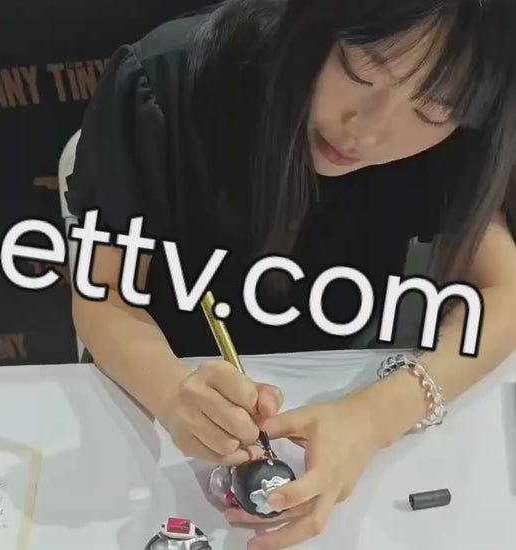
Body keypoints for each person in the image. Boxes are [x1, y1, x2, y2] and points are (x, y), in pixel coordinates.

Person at [66, 0, 516, 547]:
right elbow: (104, 294)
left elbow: (504, 293)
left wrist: (377, 416)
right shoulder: (168, 83)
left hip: (338, 389)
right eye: (362, 72)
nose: (367, 133)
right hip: (162, 384)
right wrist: (172, 392)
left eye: (432, 113)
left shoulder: (461, 136)